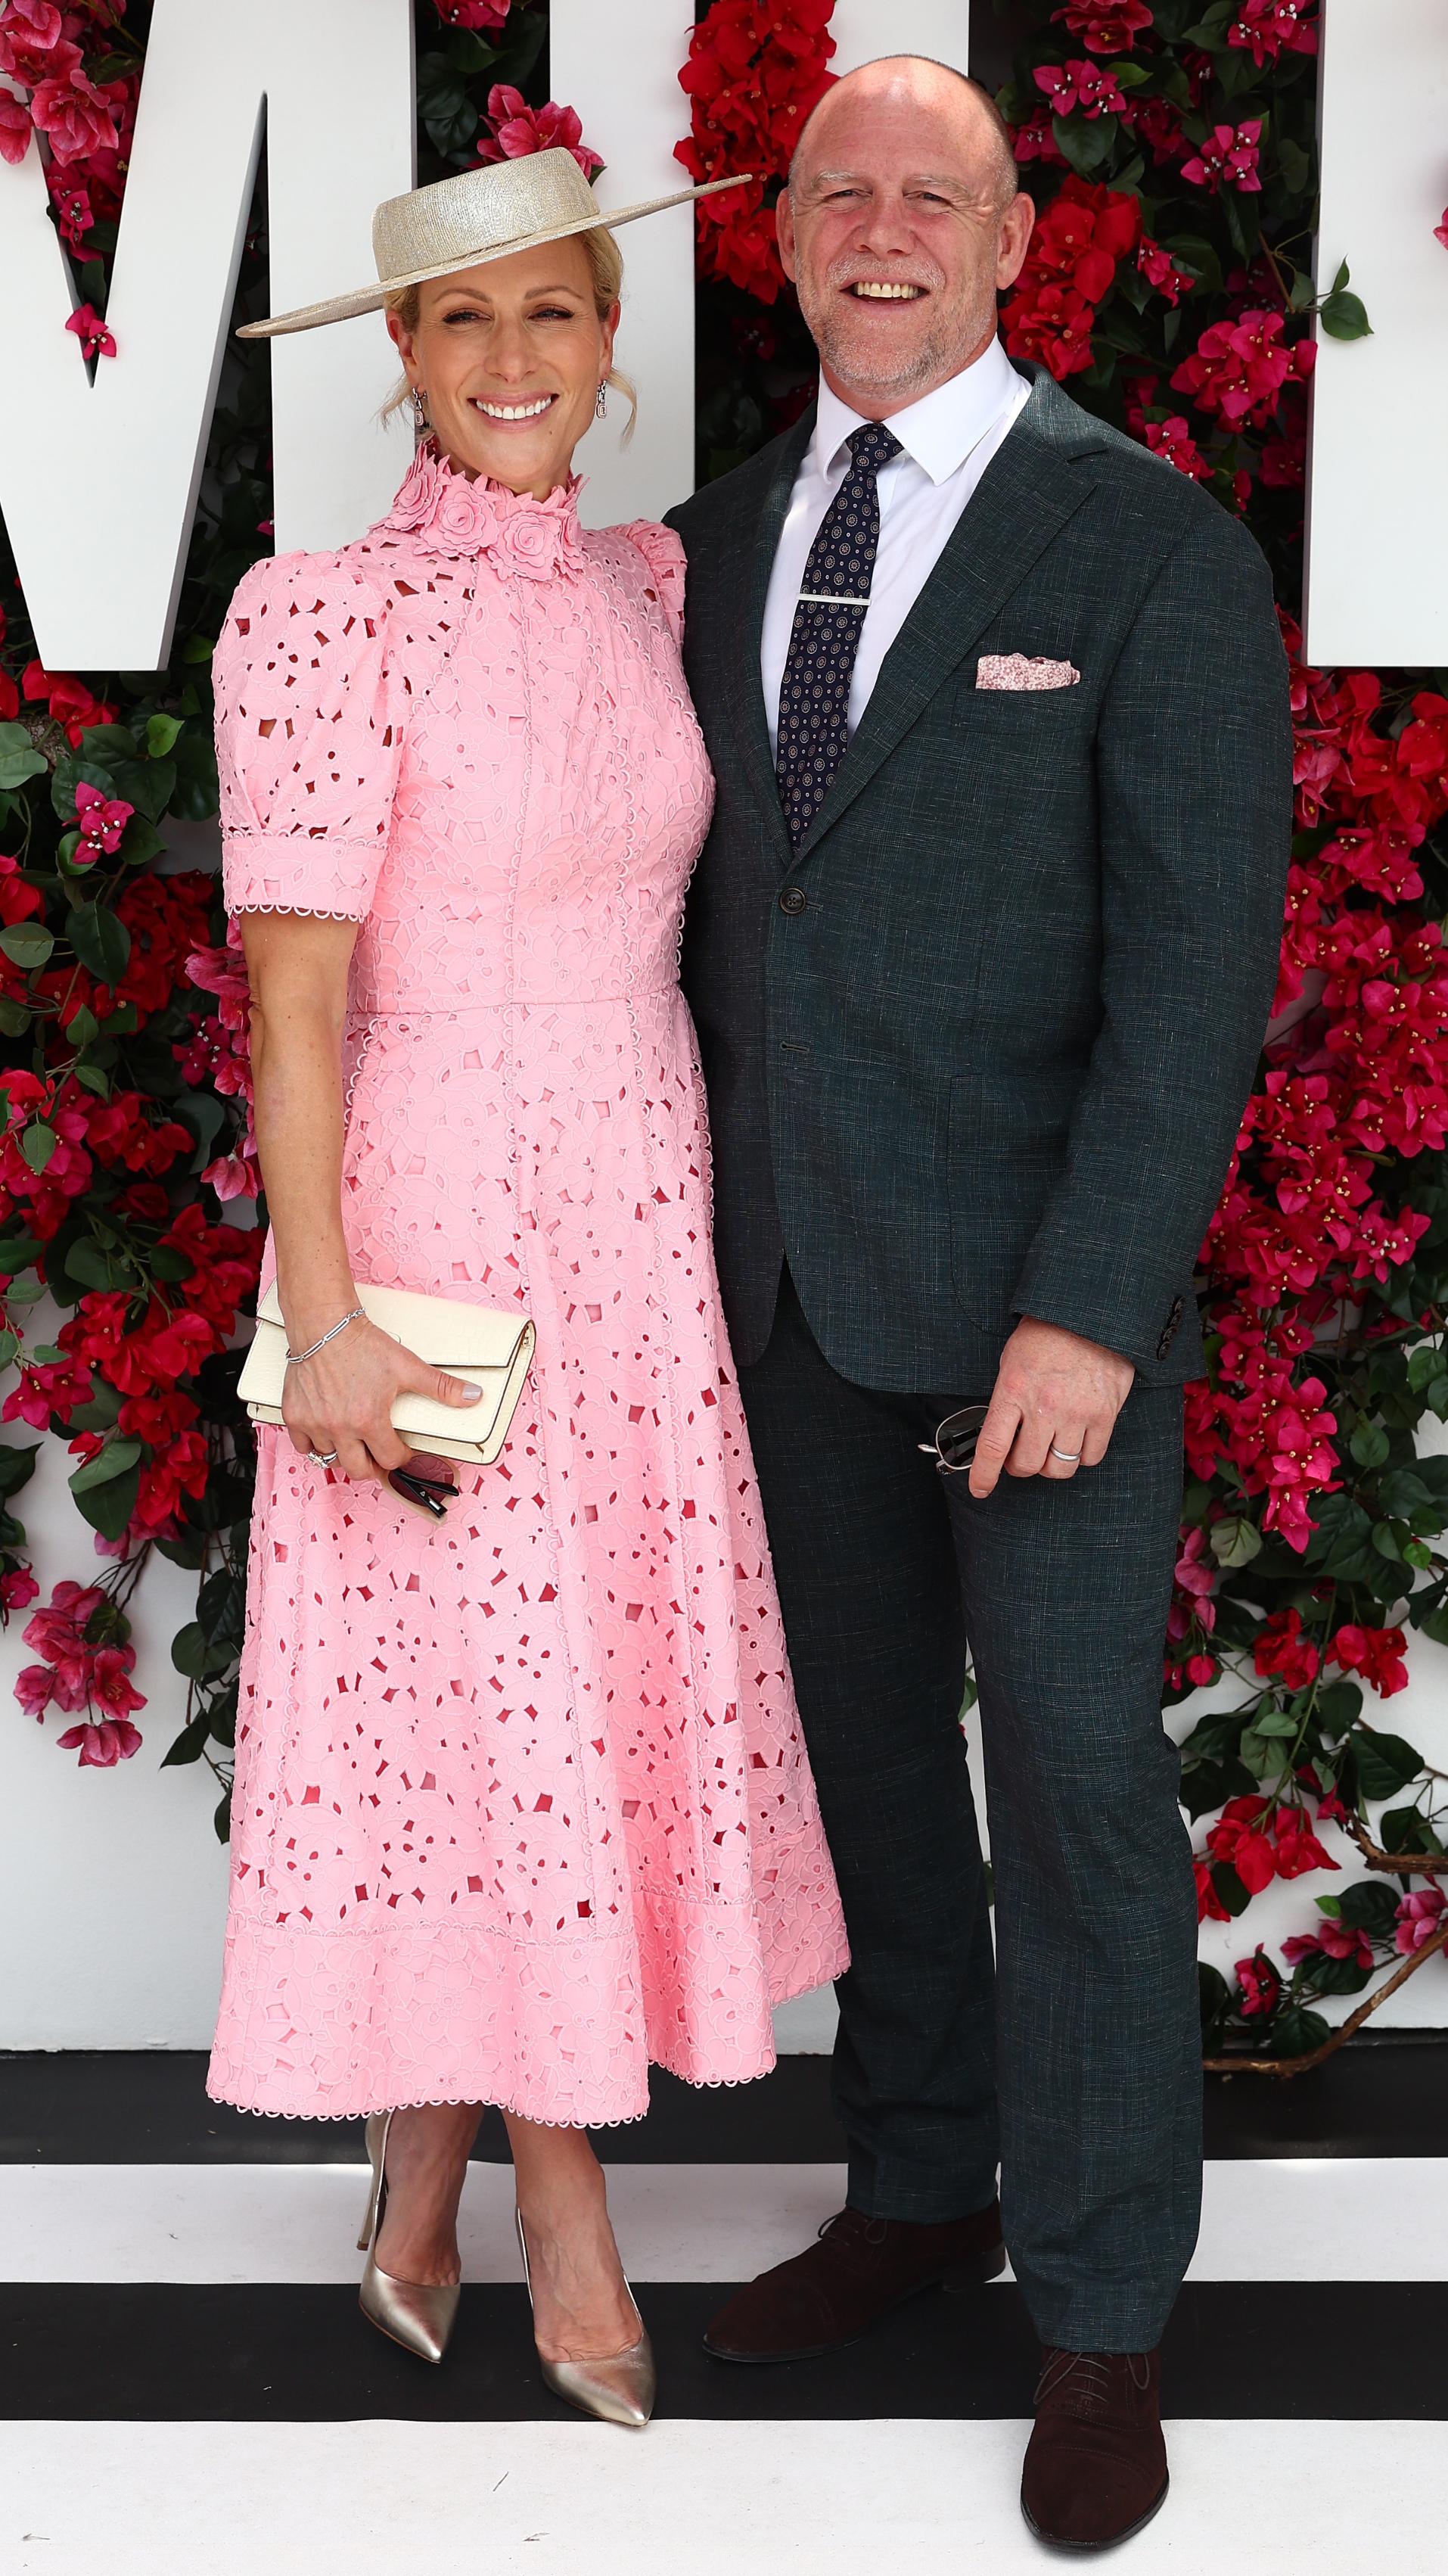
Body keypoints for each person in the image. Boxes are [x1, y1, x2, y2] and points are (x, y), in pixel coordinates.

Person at [667, 55, 1291, 2550]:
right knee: (869, 1791)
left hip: (1043, 1318)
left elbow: (1197, 975)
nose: (884, 226)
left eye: (938, 191)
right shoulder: (707, 546)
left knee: (1071, 1799)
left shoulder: (1142, 547)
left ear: (1019, 238)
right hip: (786, 1286)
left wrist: (1092, 1307)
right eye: (841, 190)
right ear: (781, 235)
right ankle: (919, 2188)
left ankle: (1103, 2314)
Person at [204, 150, 847, 2425]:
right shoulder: (312, 612)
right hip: (435, 1223)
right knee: (477, 1715)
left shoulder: (645, 579)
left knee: (563, 1712)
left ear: (607, 343)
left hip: (640, 1224)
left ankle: (415, 2172)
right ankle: (558, 2205)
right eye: (459, 326)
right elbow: (293, 1011)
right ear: (395, 355)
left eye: (548, 319)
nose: (508, 364)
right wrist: (337, 1316)